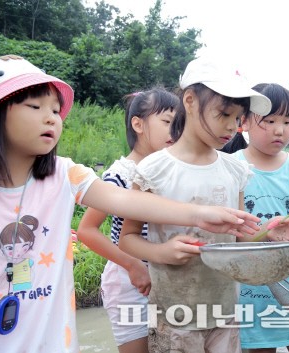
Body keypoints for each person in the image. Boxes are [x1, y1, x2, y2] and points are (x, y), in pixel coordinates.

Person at [0, 55, 261, 353]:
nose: (52, 118)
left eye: (56, 110)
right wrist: (136, 263)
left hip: (54, 340)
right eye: (35, 107)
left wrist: (204, 216)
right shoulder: (144, 170)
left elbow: (124, 201)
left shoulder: (65, 174)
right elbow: (103, 229)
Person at [117, 58, 289, 353]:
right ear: (190, 101)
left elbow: (239, 237)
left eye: (238, 118)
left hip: (226, 310)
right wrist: (161, 252)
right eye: (224, 114)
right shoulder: (154, 169)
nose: (232, 126)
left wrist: (269, 233)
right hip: (173, 312)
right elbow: (127, 239)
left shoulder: (235, 171)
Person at [76, 87, 179, 353]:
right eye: (168, 122)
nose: (174, 131)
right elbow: (87, 230)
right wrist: (132, 265)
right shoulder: (120, 174)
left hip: (167, 279)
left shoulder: (172, 172)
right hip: (128, 281)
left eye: (178, 124)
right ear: (138, 124)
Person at [228, 83, 289, 353]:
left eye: (287, 121)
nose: (279, 130)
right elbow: (229, 236)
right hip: (251, 293)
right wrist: (265, 233)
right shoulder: (231, 168)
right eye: (269, 121)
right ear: (244, 122)